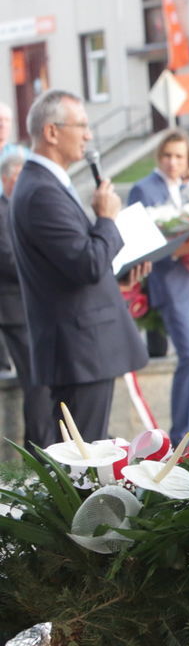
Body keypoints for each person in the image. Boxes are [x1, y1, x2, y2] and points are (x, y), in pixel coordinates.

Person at [10, 89, 148, 441]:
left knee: (85, 453)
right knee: (82, 461)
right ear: (52, 132)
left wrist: (118, 279)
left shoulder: (48, 184)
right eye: (81, 126)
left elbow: (72, 266)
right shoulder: (41, 190)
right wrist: (106, 218)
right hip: (79, 349)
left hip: (84, 344)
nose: (89, 135)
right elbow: (86, 263)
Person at [128, 129, 189, 443]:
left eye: (179, 156)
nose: (172, 162)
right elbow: (138, 239)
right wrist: (178, 249)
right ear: (158, 157)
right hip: (170, 279)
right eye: (167, 155)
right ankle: (182, 434)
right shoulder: (144, 188)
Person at [0, 154, 53, 446]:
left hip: (32, 307)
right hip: (14, 309)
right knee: (36, 382)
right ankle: (40, 451)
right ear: (9, 180)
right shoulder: (2, 211)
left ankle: (43, 446)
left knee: (42, 382)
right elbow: (9, 259)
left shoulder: (20, 209)